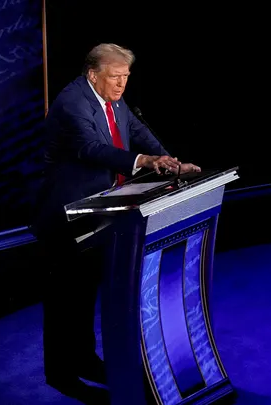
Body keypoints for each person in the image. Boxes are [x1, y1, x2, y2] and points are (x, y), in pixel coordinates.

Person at [32, 43, 200, 402]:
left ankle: (84, 358)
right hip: (66, 217)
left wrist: (167, 159)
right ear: (93, 74)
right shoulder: (72, 103)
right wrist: (144, 160)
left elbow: (136, 129)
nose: (121, 84)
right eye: (115, 77)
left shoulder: (113, 97)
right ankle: (61, 374)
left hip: (102, 213)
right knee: (64, 298)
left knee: (85, 292)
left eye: (125, 77)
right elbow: (92, 148)